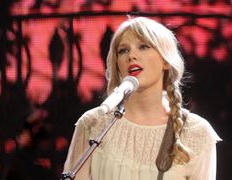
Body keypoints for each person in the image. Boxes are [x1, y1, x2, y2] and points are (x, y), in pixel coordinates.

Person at [62, 16, 222, 180]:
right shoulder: (93, 124)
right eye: (123, 50)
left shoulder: (196, 132)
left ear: (166, 61)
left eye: (143, 46)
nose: (131, 55)